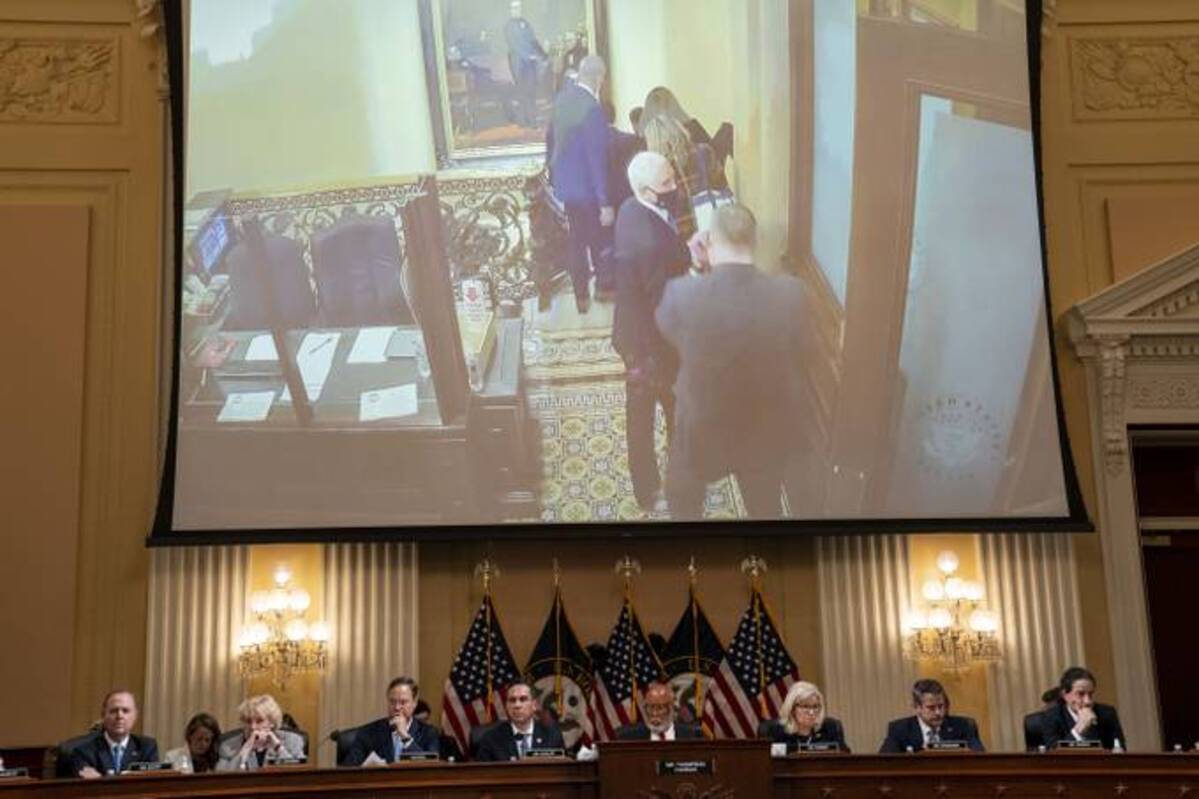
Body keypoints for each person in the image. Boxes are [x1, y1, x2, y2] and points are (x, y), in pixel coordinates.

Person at [655, 204, 814, 520]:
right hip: (764, 430)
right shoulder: (792, 294)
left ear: (709, 244)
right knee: (765, 509)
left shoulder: (682, 294)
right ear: (754, 242)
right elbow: (801, 349)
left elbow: (670, 330)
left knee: (682, 501)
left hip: (704, 427)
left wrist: (697, 269)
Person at [613, 151, 691, 513]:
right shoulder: (647, 241)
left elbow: (663, 254)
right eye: (666, 184)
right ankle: (659, 491)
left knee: (648, 411)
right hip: (650, 343)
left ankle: (663, 482)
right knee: (658, 411)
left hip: (632, 330)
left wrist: (684, 254)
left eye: (673, 177)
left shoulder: (631, 207)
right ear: (646, 190)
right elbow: (663, 299)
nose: (674, 187)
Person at [546, 55, 613, 313]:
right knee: (597, 240)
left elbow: (549, 142)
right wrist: (605, 202)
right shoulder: (592, 108)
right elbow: (596, 158)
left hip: (567, 189)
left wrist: (555, 181)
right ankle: (603, 292)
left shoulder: (561, 100)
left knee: (575, 241)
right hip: (588, 191)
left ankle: (580, 298)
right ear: (599, 77)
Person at [642, 113, 726, 243]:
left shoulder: (658, 170)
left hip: (682, 235)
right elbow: (721, 186)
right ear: (679, 129)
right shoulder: (704, 152)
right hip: (713, 226)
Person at [346, 676, 440, 766]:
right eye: (392, 702)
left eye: (403, 702)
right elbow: (348, 770)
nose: (397, 707)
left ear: (414, 703)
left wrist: (405, 737)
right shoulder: (368, 733)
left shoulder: (429, 733)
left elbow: (429, 767)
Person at [67, 690, 160, 778]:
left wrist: (100, 778)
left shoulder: (147, 747)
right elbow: (88, 788)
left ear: (135, 716)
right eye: (114, 711)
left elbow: (150, 784)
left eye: (125, 711)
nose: (120, 716)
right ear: (103, 715)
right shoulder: (84, 752)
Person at [879, 679, 984, 752]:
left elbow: (980, 759)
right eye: (931, 708)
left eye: (941, 706)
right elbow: (885, 764)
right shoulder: (900, 729)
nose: (938, 712)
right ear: (917, 707)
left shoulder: (964, 726)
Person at [1036, 666, 1126, 750]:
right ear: (1065, 695)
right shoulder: (1051, 717)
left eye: (1090, 694)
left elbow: (1119, 751)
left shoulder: (1106, 714)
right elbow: (1054, 756)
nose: (1088, 701)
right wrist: (1078, 730)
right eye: (1081, 694)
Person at [475, 682, 566, 761]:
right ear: (506, 706)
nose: (517, 705)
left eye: (523, 699)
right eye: (512, 700)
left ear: (534, 705)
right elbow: (482, 775)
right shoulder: (491, 739)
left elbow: (562, 771)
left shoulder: (552, 735)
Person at [216, 694, 306, 770]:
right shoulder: (228, 746)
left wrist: (278, 747)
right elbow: (222, 778)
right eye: (248, 721)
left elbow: (298, 775)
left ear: (272, 722)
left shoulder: (293, 741)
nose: (252, 727)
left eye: (259, 721)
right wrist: (245, 749)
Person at [764, 681, 849, 752]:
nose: (811, 712)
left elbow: (844, 758)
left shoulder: (830, 728)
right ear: (792, 709)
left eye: (815, 706)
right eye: (805, 706)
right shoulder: (776, 732)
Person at [504, 0, 547, 128]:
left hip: (529, 64)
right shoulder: (508, 26)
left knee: (531, 92)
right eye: (514, 8)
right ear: (510, 10)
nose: (516, 10)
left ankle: (532, 120)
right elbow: (514, 45)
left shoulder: (526, 23)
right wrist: (529, 56)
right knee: (522, 92)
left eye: (518, 8)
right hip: (519, 63)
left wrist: (543, 54)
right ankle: (524, 121)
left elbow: (533, 40)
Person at [615, 682, 702, 740]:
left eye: (660, 708)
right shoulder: (627, 737)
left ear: (672, 708)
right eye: (650, 707)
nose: (654, 713)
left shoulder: (691, 736)